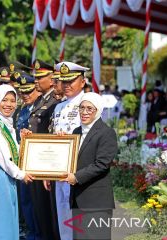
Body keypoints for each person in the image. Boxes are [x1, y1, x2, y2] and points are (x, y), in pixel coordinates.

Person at [0, 84, 33, 240]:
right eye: (4, 100)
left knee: (8, 219)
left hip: (5, 175)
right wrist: (20, 174)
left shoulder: (4, 123)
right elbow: (1, 156)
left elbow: (12, 151)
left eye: (12, 100)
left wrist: (24, 141)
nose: (9, 104)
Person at [64, 92, 118, 240]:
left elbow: (102, 164)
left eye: (89, 109)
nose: (84, 112)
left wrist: (76, 177)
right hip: (78, 200)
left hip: (96, 203)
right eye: (81, 108)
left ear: (98, 110)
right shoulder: (76, 131)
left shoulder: (106, 132)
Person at [47, 61, 88, 240]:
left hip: (79, 170)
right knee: (63, 215)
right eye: (64, 81)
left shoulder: (89, 104)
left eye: (71, 80)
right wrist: (48, 171)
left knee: (79, 218)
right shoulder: (59, 107)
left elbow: (92, 138)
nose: (67, 85)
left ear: (83, 82)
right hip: (59, 170)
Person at [28, 59, 60, 240]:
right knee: (38, 205)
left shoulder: (55, 101)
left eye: (40, 77)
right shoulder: (41, 99)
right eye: (36, 77)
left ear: (51, 79)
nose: (36, 81)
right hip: (36, 159)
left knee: (47, 208)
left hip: (47, 161)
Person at [15, 72, 41, 239]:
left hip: (40, 160)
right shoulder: (22, 110)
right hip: (22, 160)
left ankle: (38, 232)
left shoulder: (44, 107)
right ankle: (30, 230)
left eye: (28, 91)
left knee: (37, 201)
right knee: (25, 199)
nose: (25, 95)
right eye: (22, 92)